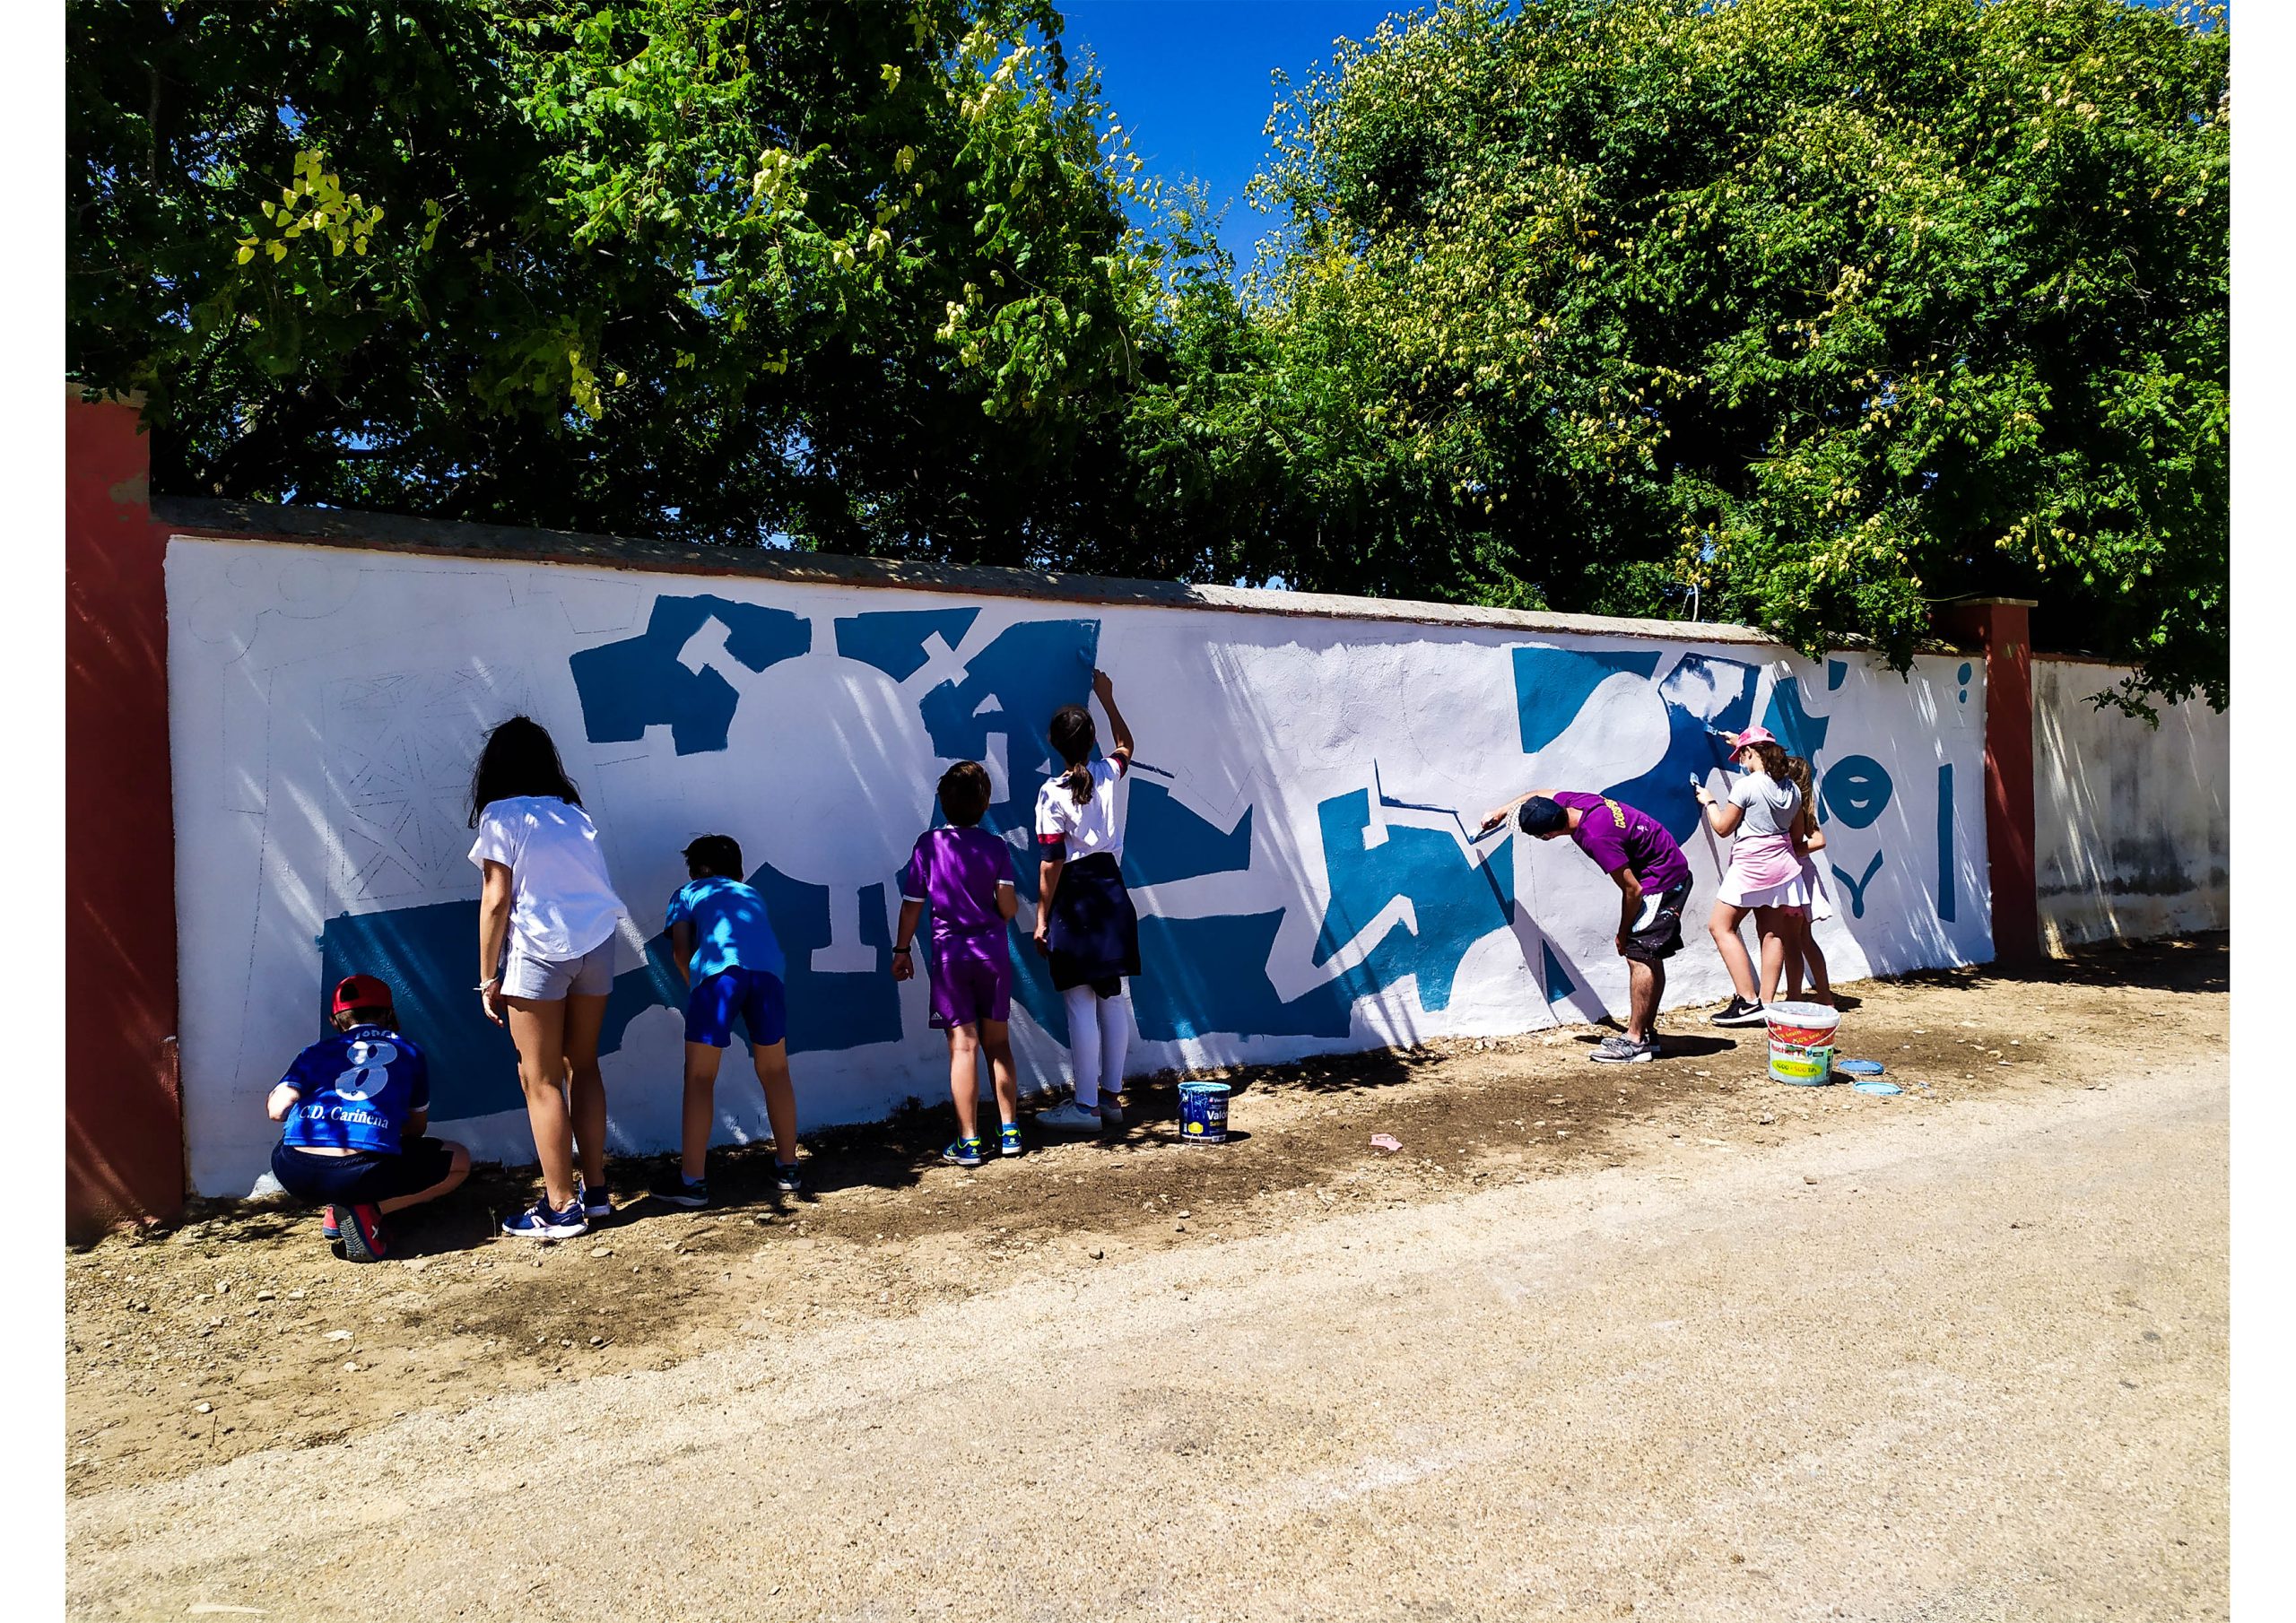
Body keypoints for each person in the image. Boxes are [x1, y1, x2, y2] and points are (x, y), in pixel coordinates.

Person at [469, 716, 627, 1240]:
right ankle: (596, 1194)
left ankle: (560, 1207)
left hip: (540, 949)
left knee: (538, 1079)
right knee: (583, 1064)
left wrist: (487, 977)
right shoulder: (571, 813)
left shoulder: (501, 814)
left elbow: (496, 899)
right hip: (597, 942)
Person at [266, 974, 470, 1263]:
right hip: (360, 1171)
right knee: (459, 1161)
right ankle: (370, 1209)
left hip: (294, 1170)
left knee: (289, 1142)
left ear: (334, 1021)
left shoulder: (315, 1052)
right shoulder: (409, 1051)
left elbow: (277, 1111)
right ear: (389, 1014)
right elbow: (415, 1129)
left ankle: (342, 1207)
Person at [1480, 789, 1692, 1063]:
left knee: (1639, 955)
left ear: (1546, 836)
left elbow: (1632, 890)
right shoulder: (1574, 803)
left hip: (1662, 880)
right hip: (1663, 866)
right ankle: (1646, 1034)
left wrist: (1622, 931)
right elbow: (1538, 793)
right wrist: (1500, 812)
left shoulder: (1596, 837)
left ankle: (1636, 1041)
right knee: (1646, 956)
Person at [653, 834, 803, 1207]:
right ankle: (788, 1167)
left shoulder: (687, 894)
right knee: (775, 1071)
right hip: (768, 976)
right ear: (737, 868)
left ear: (694, 870)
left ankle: (692, 1181)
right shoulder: (750, 894)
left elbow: (680, 951)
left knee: (701, 1077)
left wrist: (699, 989)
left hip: (719, 975)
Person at [891, 761, 1024, 1167]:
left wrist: (901, 951)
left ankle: (968, 1142)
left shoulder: (928, 846)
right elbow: (1006, 908)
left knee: (962, 1047)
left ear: (942, 802)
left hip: (951, 959)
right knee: (998, 1044)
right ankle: (1011, 1132)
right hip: (992, 956)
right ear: (985, 805)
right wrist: (1006, 902)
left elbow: (912, 907)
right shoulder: (996, 847)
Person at [1031, 669, 1138, 1133]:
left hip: (1074, 895)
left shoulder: (1051, 793)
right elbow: (1126, 746)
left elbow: (1051, 861)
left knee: (1079, 1003)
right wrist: (1109, 699)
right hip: (1111, 889)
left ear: (1054, 743)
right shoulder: (1108, 774)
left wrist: (1041, 916)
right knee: (1112, 998)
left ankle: (1085, 1107)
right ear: (1092, 740)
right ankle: (1111, 1098)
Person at [1695, 725, 1811, 1027]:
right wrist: (1743, 742)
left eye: (1742, 756)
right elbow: (1797, 836)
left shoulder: (1746, 786)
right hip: (1782, 867)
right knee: (1772, 933)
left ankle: (1747, 1001)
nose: (1740, 763)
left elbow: (1722, 828)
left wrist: (1708, 801)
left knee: (1721, 926)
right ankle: (1766, 1005)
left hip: (1750, 865)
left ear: (1750, 753)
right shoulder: (1792, 790)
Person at [1782, 754, 1833, 1004]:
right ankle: (1824, 996)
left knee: (1792, 940)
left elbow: (1819, 840)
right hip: (1804, 873)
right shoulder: (1804, 807)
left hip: (1795, 875)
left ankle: (1794, 998)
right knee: (1804, 939)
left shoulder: (1791, 807)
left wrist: (1794, 850)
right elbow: (1819, 839)